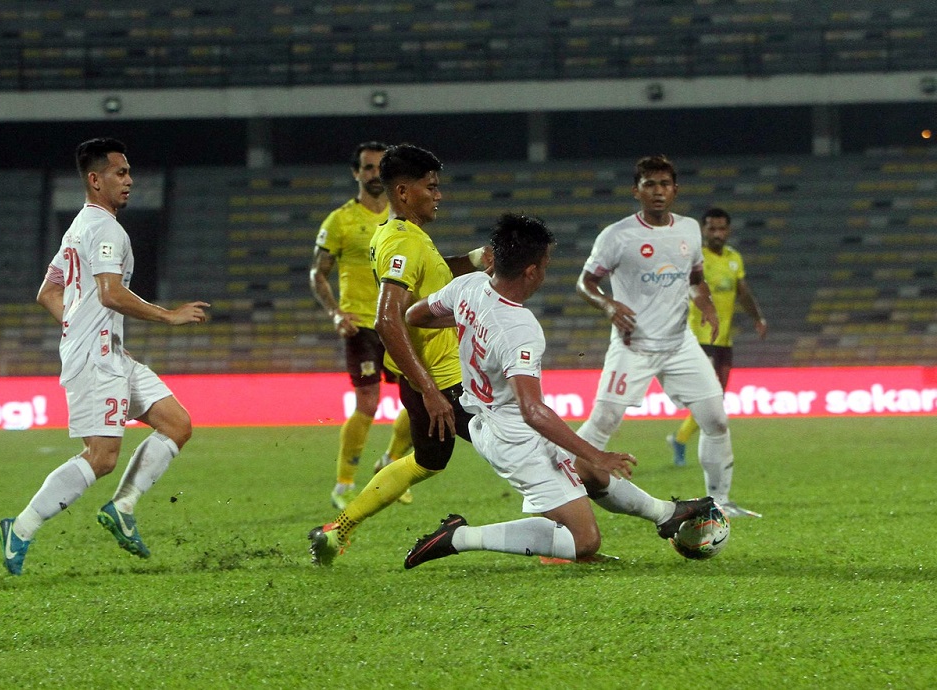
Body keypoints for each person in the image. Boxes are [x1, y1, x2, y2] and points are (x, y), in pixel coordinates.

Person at [402, 213, 715, 569]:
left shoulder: (469, 286)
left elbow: (415, 316)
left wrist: (468, 319)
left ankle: (667, 514)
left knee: (591, 473)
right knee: (584, 540)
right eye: (546, 265)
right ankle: (459, 537)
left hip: (489, 419)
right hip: (514, 439)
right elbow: (532, 411)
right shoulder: (519, 328)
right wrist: (598, 453)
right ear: (531, 271)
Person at [0, 138, 210, 575]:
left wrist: (80, 326)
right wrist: (168, 316)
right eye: (119, 173)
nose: (129, 181)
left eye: (129, 172)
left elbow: (48, 293)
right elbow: (110, 293)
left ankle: (122, 508)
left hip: (109, 353)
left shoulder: (79, 228)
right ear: (95, 180)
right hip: (96, 359)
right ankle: (21, 527)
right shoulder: (106, 230)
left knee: (177, 424)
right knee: (102, 456)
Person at [308, 143, 488, 565]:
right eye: (432, 187)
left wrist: (476, 259)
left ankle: (337, 530)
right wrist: (430, 391)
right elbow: (388, 318)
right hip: (446, 382)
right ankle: (564, 538)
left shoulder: (405, 235)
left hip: (431, 376)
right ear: (404, 192)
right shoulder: (400, 239)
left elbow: (432, 274)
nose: (439, 195)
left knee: (428, 460)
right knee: (523, 450)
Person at [575, 155, 760, 519]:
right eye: (650, 185)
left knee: (716, 420)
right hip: (634, 346)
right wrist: (608, 306)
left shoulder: (689, 229)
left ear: (675, 190)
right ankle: (558, 494)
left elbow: (694, 279)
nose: (658, 192)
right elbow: (585, 283)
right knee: (603, 421)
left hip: (679, 344)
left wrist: (706, 304)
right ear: (636, 191)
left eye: (664, 185)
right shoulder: (617, 235)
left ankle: (720, 502)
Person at [310, 141, 413, 510]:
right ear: (356, 172)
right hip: (362, 325)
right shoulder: (340, 221)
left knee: (419, 397)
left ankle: (390, 463)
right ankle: (344, 485)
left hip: (398, 321)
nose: (374, 174)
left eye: (380, 167)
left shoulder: (403, 217)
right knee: (368, 403)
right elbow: (318, 274)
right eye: (367, 168)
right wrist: (336, 313)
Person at [667, 208, 768, 468]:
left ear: (728, 231)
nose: (717, 234)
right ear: (703, 230)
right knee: (709, 397)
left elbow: (742, 292)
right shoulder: (696, 258)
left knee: (717, 397)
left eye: (721, 229)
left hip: (724, 339)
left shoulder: (734, 258)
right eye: (711, 228)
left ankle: (680, 439)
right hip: (700, 338)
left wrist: (757, 317)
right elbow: (686, 288)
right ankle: (684, 441)